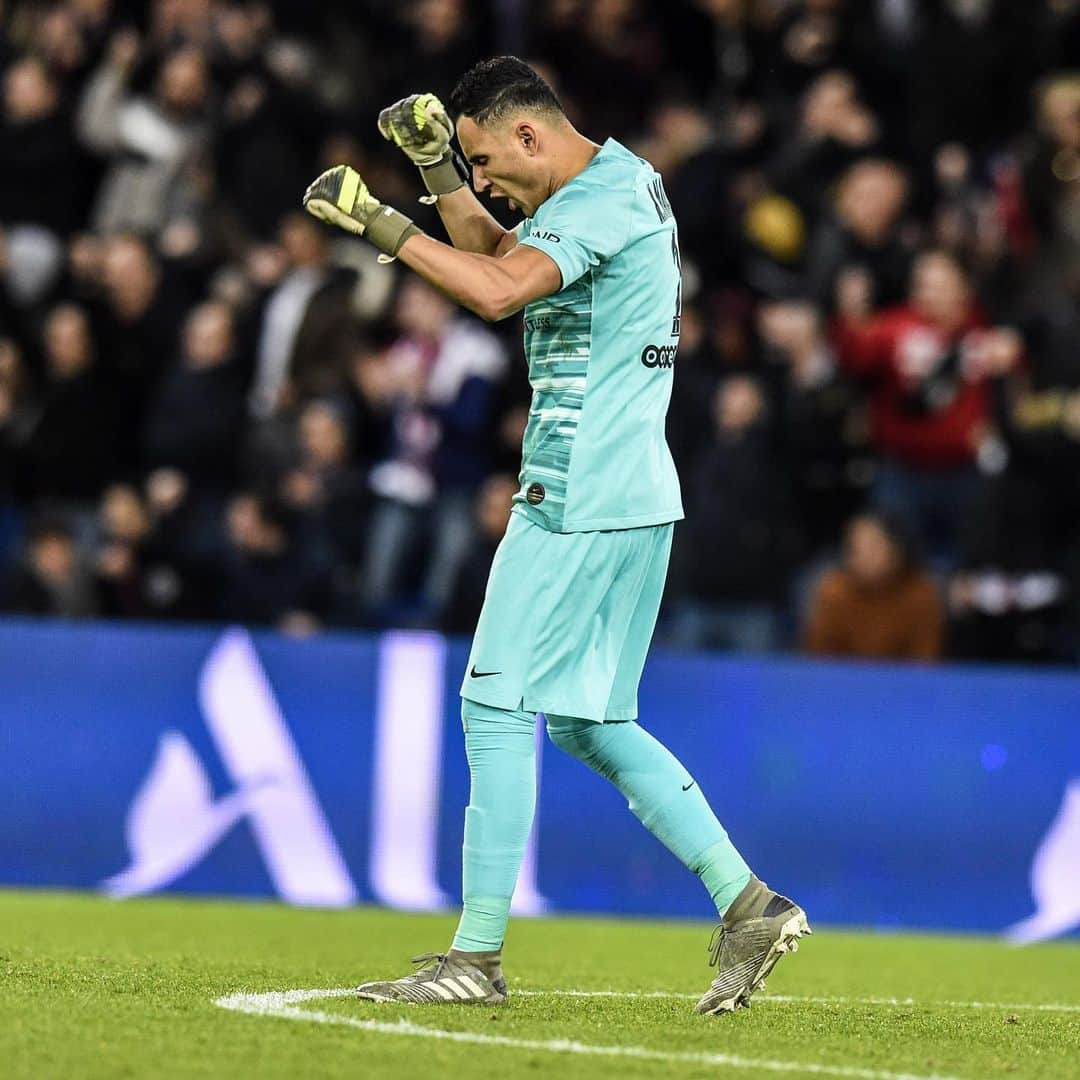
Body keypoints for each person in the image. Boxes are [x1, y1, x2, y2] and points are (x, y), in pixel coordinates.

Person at [302, 56, 809, 1014]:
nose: (487, 180)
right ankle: (747, 904)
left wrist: (383, 222)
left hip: (578, 488)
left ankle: (476, 958)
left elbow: (497, 293)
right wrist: (444, 173)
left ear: (531, 134)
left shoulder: (604, 199)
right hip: (633, 493)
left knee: (494, 702)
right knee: (589, 721)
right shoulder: (612, 185)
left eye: (489, 158)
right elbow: (505, 259)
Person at [803, 511, 944, 662]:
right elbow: (818, 659)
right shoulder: (834, 592)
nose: (863, 554)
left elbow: (926, 663)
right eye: (855, 547)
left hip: (903, 683)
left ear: (897, 549)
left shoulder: (921, 595)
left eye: (873, 546)